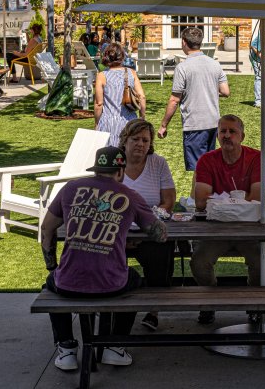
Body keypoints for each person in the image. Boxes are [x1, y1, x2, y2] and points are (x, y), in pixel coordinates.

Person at [39, 145, 167, 371]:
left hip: (69, 282)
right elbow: (159, 235)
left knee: (51, 284)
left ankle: (67, 349)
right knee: (136, 281)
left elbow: (47, 228)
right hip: (112, 284)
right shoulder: (130, 195)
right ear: (121, 171)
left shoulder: (71, 188)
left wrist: (52, 265)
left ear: (96, 169)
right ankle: (115, 347)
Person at [189, 115, 265, 325]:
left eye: (232, 131)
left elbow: (258, 198)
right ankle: (210, 301)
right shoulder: (207, 160)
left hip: (251, 227)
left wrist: (220, 201)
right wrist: (239, 202)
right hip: (215, 228)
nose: (227, 136)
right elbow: (200, 201)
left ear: (242, 136)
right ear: (217, 136)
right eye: (222, 131)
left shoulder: (257, 158)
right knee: (199, 261)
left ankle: (255, 304)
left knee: (261, 258)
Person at [118, 119, 176, 332]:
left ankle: (154, 309)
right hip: (117, 232)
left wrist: (146, 227)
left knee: (162, 251)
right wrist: (124, 234)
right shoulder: (115, 164)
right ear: (125, 141)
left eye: (145, 140)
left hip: (150, 229)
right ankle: (109, 304)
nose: (140, 144)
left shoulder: (158, 163)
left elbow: (169, 201)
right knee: (103, 252)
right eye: (135, 139)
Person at [158, 26, 229, 172]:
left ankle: (199, 196)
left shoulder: (182, 67)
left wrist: (164, 124)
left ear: (184, 42)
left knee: (198, 172)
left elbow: (174, 100)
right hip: (214, 124)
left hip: (194, 125)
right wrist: (208, 89)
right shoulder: (215, 64)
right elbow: (225, 91)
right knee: (210, 168)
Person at [94, 42, 146, 144]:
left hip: (108, 122)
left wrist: (97, 122)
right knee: (129, 155)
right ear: (122, 56)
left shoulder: (102, 76)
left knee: (110, 155)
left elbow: (99, 104)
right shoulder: (131, 73)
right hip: (129, 121)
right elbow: (142, 97)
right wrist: (142, 117)